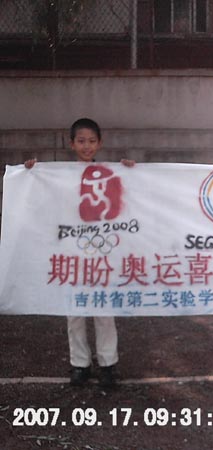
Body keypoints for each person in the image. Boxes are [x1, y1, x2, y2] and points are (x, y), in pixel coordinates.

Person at [25, 117, 135, 387]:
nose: (87, 146)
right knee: (74, 312)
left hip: (102, 254)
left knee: (103, 310)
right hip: (72, 253)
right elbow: (45, 199)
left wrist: (132, 171)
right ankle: (80, 364)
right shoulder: (61, 176)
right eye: (81, 141)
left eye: (92, 141)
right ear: (71, 143)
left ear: (100, 143)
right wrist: (31, 173)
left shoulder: (111, 173)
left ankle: (108, 364)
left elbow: (132, 195)